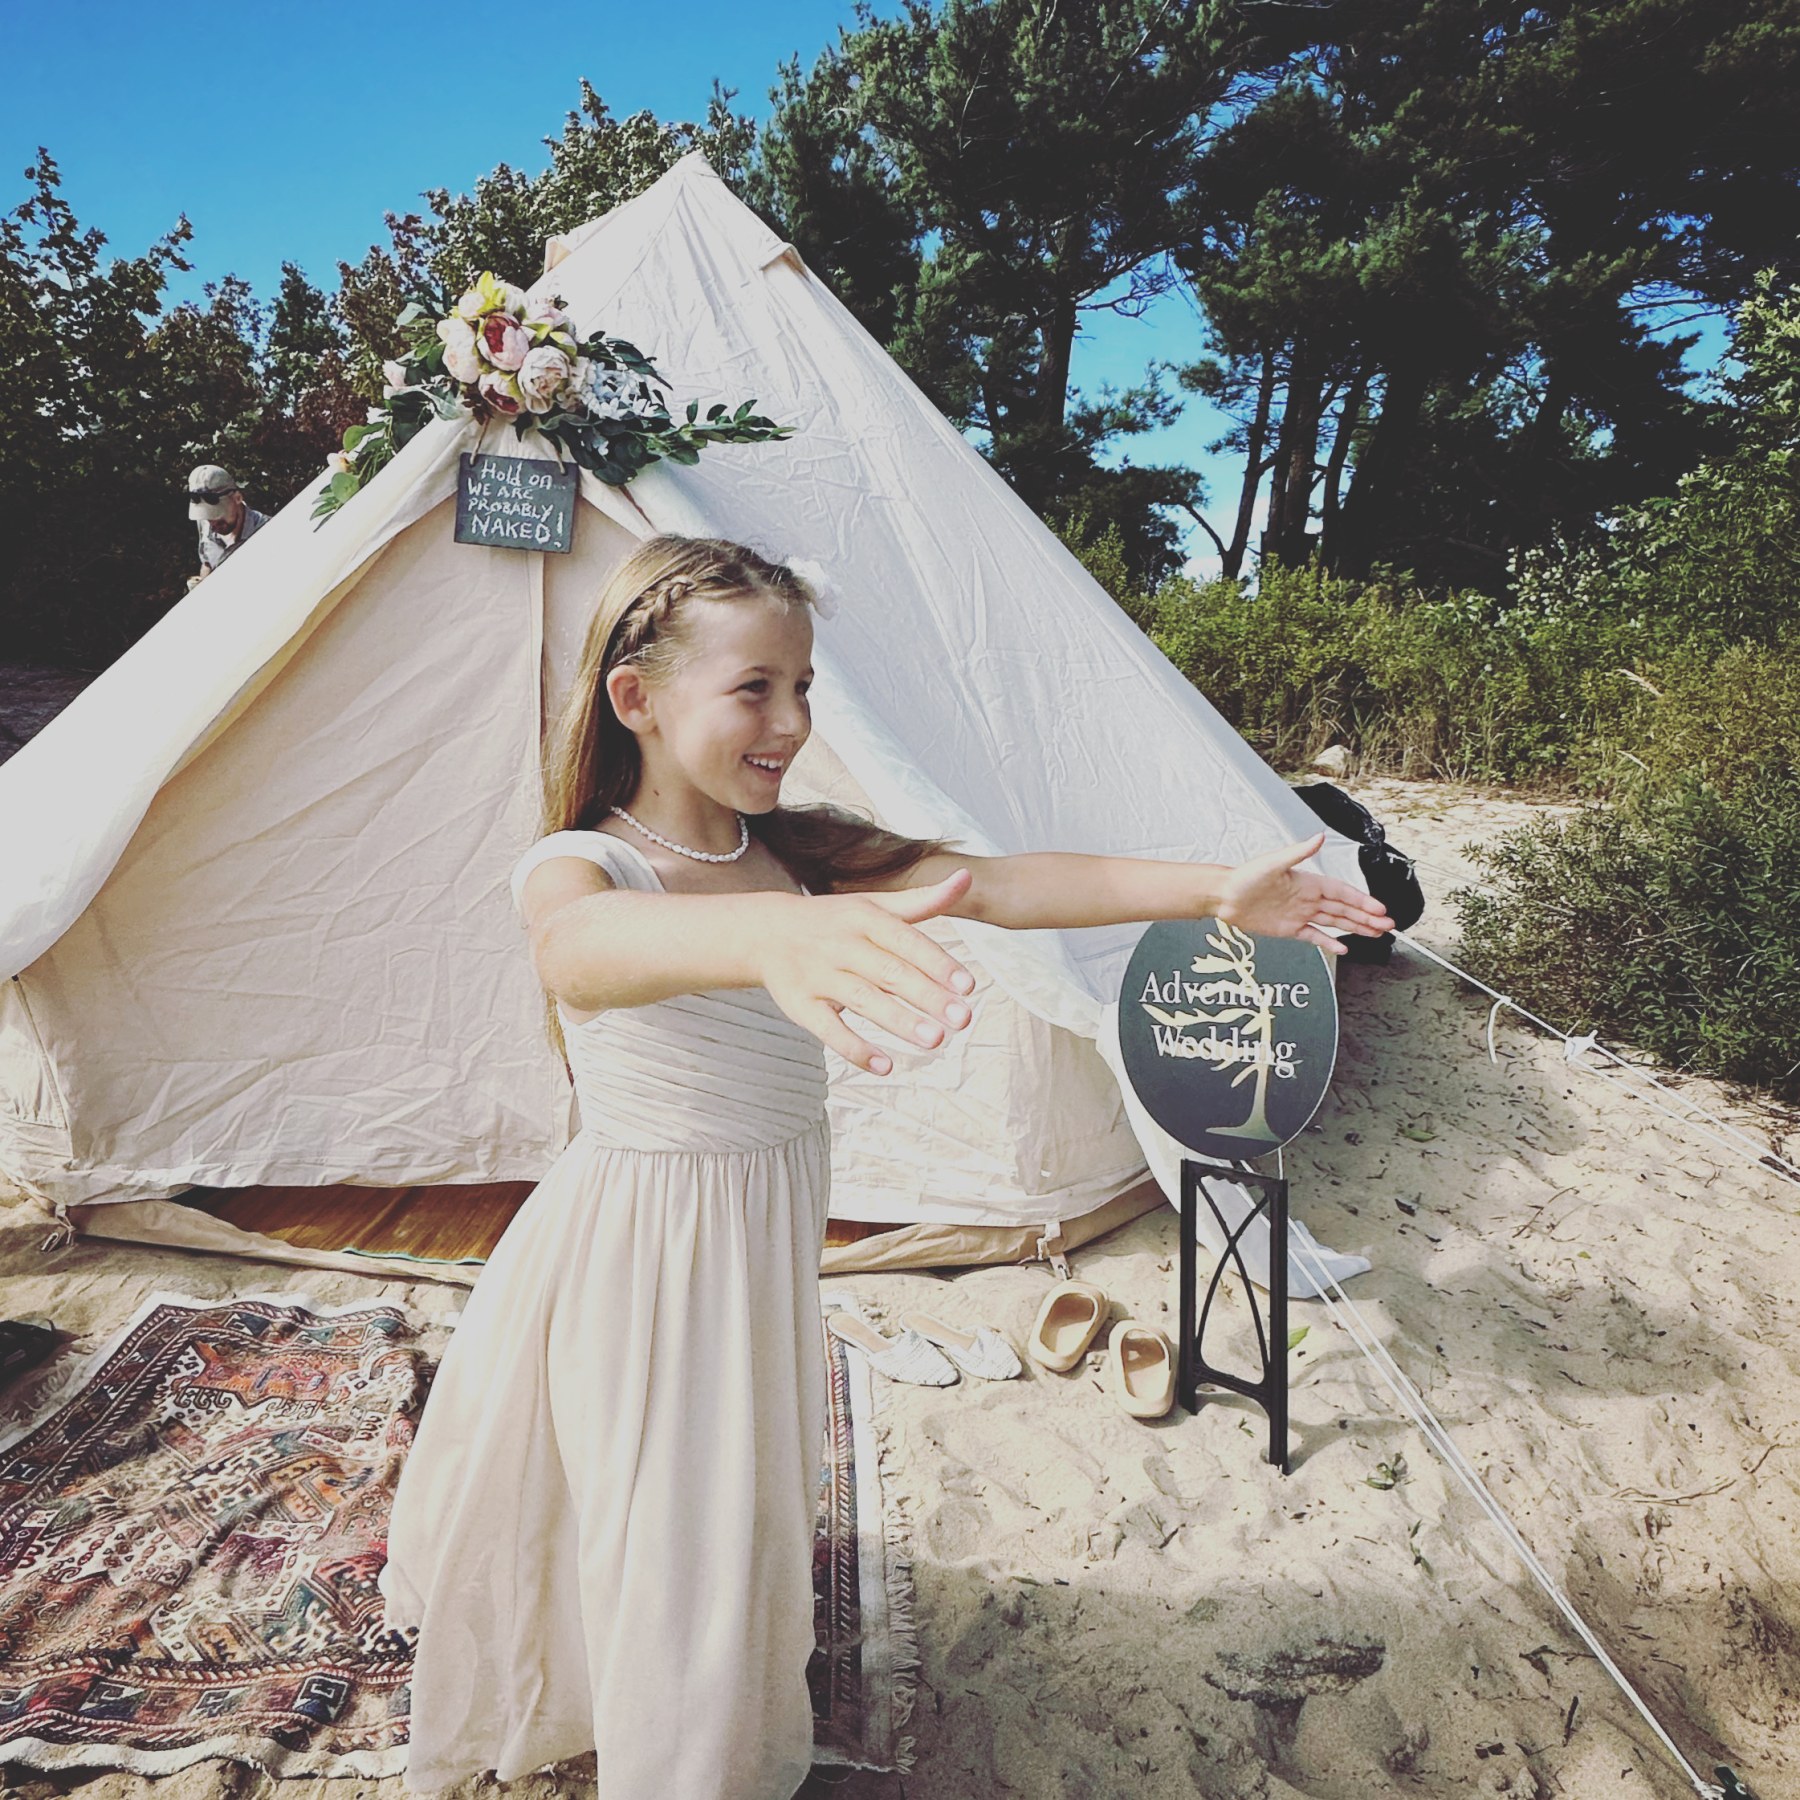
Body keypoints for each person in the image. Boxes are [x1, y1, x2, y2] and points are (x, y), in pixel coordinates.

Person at [377, 535, 1394, 1799]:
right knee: (668, 1500)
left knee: (725, 1489)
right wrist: (767, 935)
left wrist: (1213, 892)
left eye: (803, 686)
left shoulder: (797, 851)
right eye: (755, 688)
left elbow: (1006, 885)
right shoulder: (590, 862)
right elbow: (575, 948)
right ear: (636, 699)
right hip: (646, 1248)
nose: (791, 722)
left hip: (761, 1232)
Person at [185, 464, 268, 587]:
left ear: (237, 498)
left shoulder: (267, 531)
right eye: (208, 517)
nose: (212, 525)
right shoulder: (205, 523)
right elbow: (208, 563)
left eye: (218, 515)